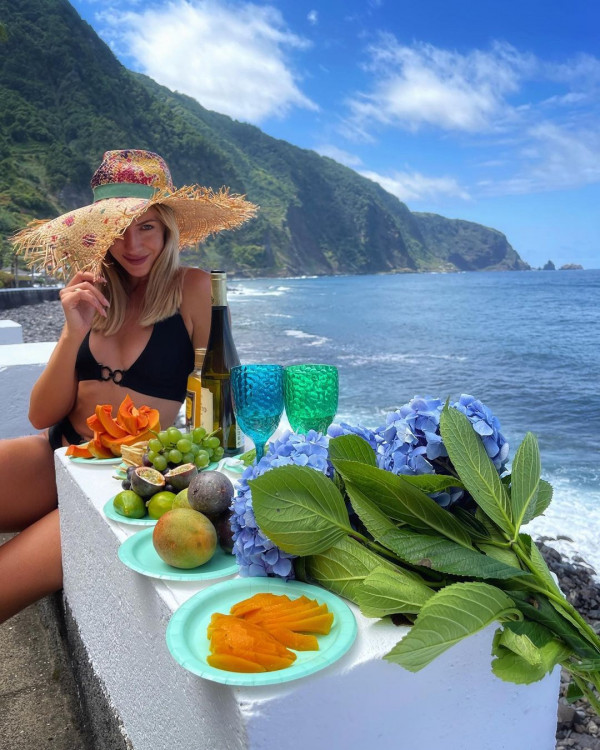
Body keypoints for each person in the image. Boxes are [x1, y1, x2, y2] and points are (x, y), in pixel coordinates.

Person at [0, 149, 256, 623]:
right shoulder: (92, 288)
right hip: (59, 453)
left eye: (147, 227)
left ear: (167, 230)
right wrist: (72, 332)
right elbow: (41, 415)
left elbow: (227, 391)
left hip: (126, 483)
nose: (132, 244)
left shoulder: (192, 289)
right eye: (118, 229)